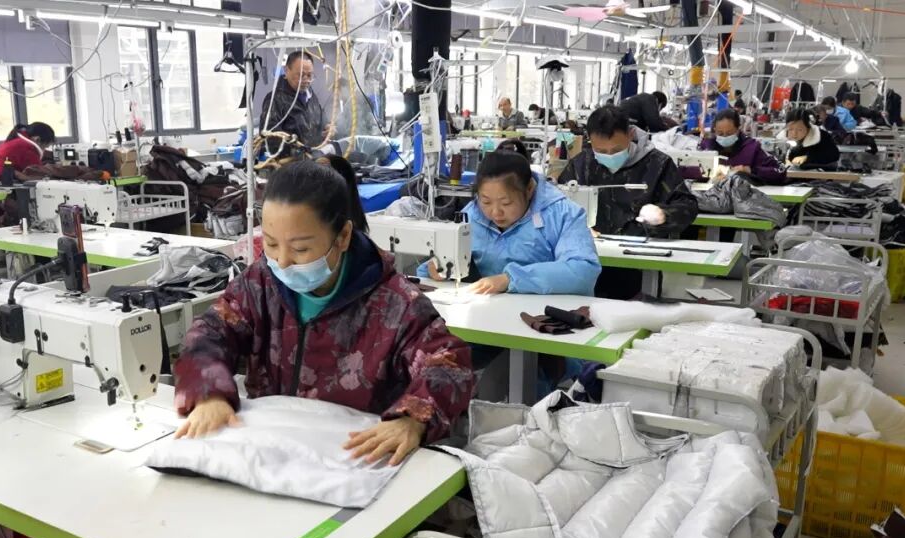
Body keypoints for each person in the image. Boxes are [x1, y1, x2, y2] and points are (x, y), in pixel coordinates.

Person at [172, 160, 473, 465]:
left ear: (342, 237)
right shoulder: (259, 285)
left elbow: (449, 363)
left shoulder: (396, 304)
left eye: (300, 249)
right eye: (272, 245)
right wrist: (209, 393)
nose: (283, 262)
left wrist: (412, 420)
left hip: (352, 459)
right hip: (271, 453)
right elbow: (209, 333)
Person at [558, 106, 698, 299]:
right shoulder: (582, 164)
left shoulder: (657, 165)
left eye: (616, 150)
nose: (609, 155)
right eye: (601, 150)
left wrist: (663, 214)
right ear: (590, 139)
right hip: (587, 260)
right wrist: (574, 227)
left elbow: (687, 205)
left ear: (630, 134)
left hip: (639, 264)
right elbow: (558, 203)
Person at [422, 151, 600, 296]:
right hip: (492, 312)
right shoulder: (472, 214)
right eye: (486, 201)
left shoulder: (562, 214)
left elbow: (582, 271)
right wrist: (436, 268)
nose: (495, 212)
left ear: (529, 189)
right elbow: (445, 260)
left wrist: (510, 279)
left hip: (548, 315)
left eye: (506, 203)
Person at [260, 50, 330, 148]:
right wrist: (298, 149)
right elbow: (270, 139)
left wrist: (327, 126)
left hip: (315, 152)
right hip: (290, 156)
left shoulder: (310, 95)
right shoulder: (275, 100)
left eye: (309, 75)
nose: (306, 80)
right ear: (286, 71)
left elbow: (321, 116)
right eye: (301, 75)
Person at [699, 109, 786, 184]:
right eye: (720, 133)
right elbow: (693, 170)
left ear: (738, 129)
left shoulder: (751, 148)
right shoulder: (707, 146)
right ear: (714, 130)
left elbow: (780, 171)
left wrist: (750, 170)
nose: (724, 136)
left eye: (729, 133)